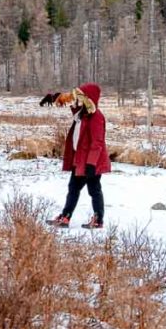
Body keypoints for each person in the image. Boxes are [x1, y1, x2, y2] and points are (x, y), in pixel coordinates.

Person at [43, 82, 110, 229]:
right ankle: (65, 217)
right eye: (78, 97)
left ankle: (98, 220)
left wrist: (91, 163)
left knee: (94, 190)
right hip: (80, 160)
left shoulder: (96, 117)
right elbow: (69, 101)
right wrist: (55, 98)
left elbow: (97, 142)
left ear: (88, 99)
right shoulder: (81, 113)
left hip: (91, 162)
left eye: (81, 97)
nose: (78, 100)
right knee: (73, 188)